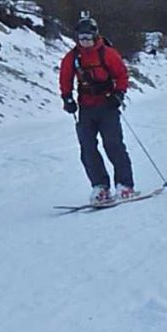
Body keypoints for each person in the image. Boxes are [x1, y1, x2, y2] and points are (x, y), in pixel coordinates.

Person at [59, 16, 136, 203]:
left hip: (107, 105)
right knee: (87, 148)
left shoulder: (108, 54)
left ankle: (125, 185)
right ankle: (100, 186)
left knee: (113, 144)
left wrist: (118, 94)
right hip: (85, 107)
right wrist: (67, 98)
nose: (84, 42)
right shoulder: (72, 58)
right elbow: (65, 78)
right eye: (81, 37)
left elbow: (122, 75)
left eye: (88, 37)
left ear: (95, 36)